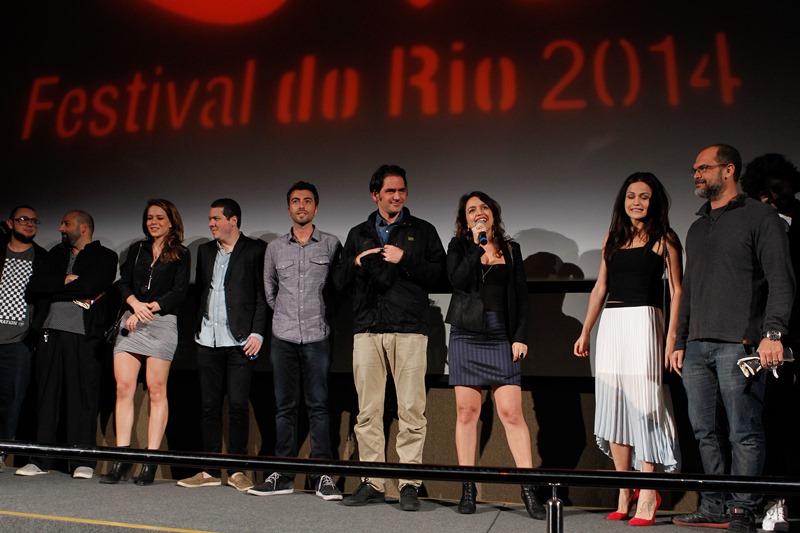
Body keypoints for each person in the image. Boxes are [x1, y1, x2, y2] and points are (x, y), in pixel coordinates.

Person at [670, 144, 795, 533]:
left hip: (739, 345)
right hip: (697, 347)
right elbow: (689, 289)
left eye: (704, 168)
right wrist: (680, 340)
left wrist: (772, 334)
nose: (697, 175)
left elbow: (781, 280)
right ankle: (714, 504)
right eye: (694, 169)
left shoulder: (760, 217)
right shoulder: (697, 227)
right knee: (704, 431)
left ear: (729, 170)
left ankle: (744, 507)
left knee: (744, 429)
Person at [334, 164, 446, 511]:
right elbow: (338, 281)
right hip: (367, 330)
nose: (397, 197)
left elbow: (441, 277)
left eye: (402, 191)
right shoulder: (358, 233)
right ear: (375, 195)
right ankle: (372, 481)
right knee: (367, 412)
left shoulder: (422, 231)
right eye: (390, 191)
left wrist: (405, 258)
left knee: (411, 411)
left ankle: (409, 483)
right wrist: (356, 262)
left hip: (409, 329)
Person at [573, 173, 682, 526]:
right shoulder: (613, 238)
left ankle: (648, 491)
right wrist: (586, 330)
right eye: (631, 195)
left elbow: (677, 291)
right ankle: (625, 489)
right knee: (614, 406)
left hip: (645, 323)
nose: (637, 202)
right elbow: (600, 288)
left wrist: (672, 338)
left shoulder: (665, 238)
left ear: (654, 201)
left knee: (644, 404)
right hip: (613, 324)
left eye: (644, 196)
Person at [444, 191, 545, 519]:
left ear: (493, 213)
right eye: (471, 209)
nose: (479, 212)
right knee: (466, 413)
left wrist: (520, 337)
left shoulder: (511, 250)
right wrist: (476, 246)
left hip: (501, 334)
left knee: (512, 413)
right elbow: (458, 280)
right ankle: (468, 488)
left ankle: (528, 489)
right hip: (466, 334)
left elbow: (522, 297)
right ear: (465, 219)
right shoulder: (458, 246)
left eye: (483, 207)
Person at [248, 181, 343, 501]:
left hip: (317, 335)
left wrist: (320, 317)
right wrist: (287, 316)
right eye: (296, 201)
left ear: (316, 207)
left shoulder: (330, 244)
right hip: (283, 336)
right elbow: (270, 291)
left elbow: (337, 290)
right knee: (284, 407)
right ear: (288, 208)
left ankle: (323, 476)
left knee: (319, 406)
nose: (301, 206)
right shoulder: (275, 248)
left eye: (307, 201)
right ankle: (283, 475)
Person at [17, 210, 118, 479]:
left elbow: (91, 287)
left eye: (66, 223)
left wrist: (57, 289)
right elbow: (34, 287)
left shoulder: (105, 256)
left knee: (83, 396)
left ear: (83, 228)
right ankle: (41, 459)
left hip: (84, 335)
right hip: (50, 333)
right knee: (46, 396)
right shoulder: (54, 255)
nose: (61, 228)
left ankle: (82, 460)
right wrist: (64, 281)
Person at [175, 198, 266, 492]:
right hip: (207, 339)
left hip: (240, 341)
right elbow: (204, 290)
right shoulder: (204, 251)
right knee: (208, 406)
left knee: (238, 405)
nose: (211, 223)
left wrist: (257, 332)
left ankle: (237, 470)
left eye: (216, 218)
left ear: (233, 220)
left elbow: (262, 294)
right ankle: (210, 469)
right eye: (210, 219)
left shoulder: (255, 250)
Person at [100, 199, 190, 486]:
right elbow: (123, 283)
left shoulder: (181, 253)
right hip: (131, 320)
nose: (154, 222)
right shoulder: (137, 249)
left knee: (156, 389)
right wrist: (135, 305)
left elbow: (179, 291)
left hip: (161, 322)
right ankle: (122, 459)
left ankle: (151, 460)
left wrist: (149, 307)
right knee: (123, 388)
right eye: (150, 217)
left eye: (160, 218)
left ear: (171, 222)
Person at [740, 153, 800, 532]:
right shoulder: (759, 226)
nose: (772, 197)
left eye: (778, 188)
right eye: (763, 192)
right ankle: (777, 501)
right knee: (774, 422)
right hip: (770, 337)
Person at [0, 206, 46, 473]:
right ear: (10, 223)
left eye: (34, 220)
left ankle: (2, 450)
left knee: (11, 399)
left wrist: (34, 333)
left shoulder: (42, 258)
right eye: (23, 219)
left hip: (19, 341)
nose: (29, 224)